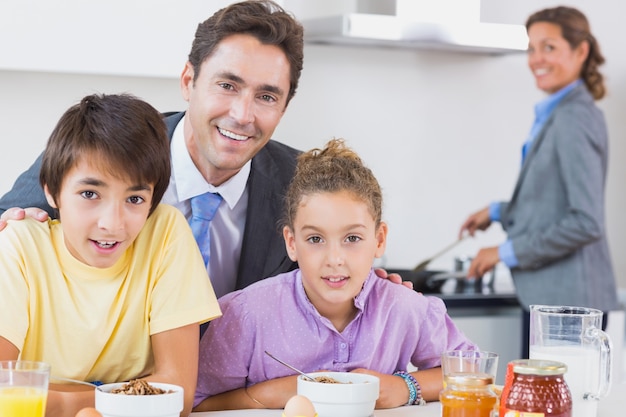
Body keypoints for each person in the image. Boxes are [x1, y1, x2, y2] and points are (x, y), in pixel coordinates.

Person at [0, 0, 406, 300]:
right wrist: (17, 226)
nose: (243, 114)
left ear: (284, 107)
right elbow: (10, 218)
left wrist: (365, 288)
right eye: (227, 85)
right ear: (188, 81)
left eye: (266, 96)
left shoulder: (303, 183)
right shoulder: (113, 147)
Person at [193, 139, 478, 411]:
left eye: (352, 238)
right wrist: (270, 393)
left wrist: (406, 387)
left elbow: (473, 371)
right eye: (316, 239)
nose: (335, 260)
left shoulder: (405, 308)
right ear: (292, 243)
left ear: (379, 240)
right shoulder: (245, 315)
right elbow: (193, 401)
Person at [0, 94, 221, 417]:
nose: (112, 224)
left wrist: (58, 400)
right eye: (90, 194)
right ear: (51, 190)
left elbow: (179, 394)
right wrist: (126, 395)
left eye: (134, 199)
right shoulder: (19, 245)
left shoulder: (164, 232)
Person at [458, 6, 619, 356]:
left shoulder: (573, 118)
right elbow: (553, 200)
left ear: (581, 51)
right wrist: (499, 211)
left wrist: (504, 252)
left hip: (568, 305)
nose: (536, 59)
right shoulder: (561, 112)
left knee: (554, 411)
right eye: (531, 48)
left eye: (548, 47)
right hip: (557, 301)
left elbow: (585, 222)